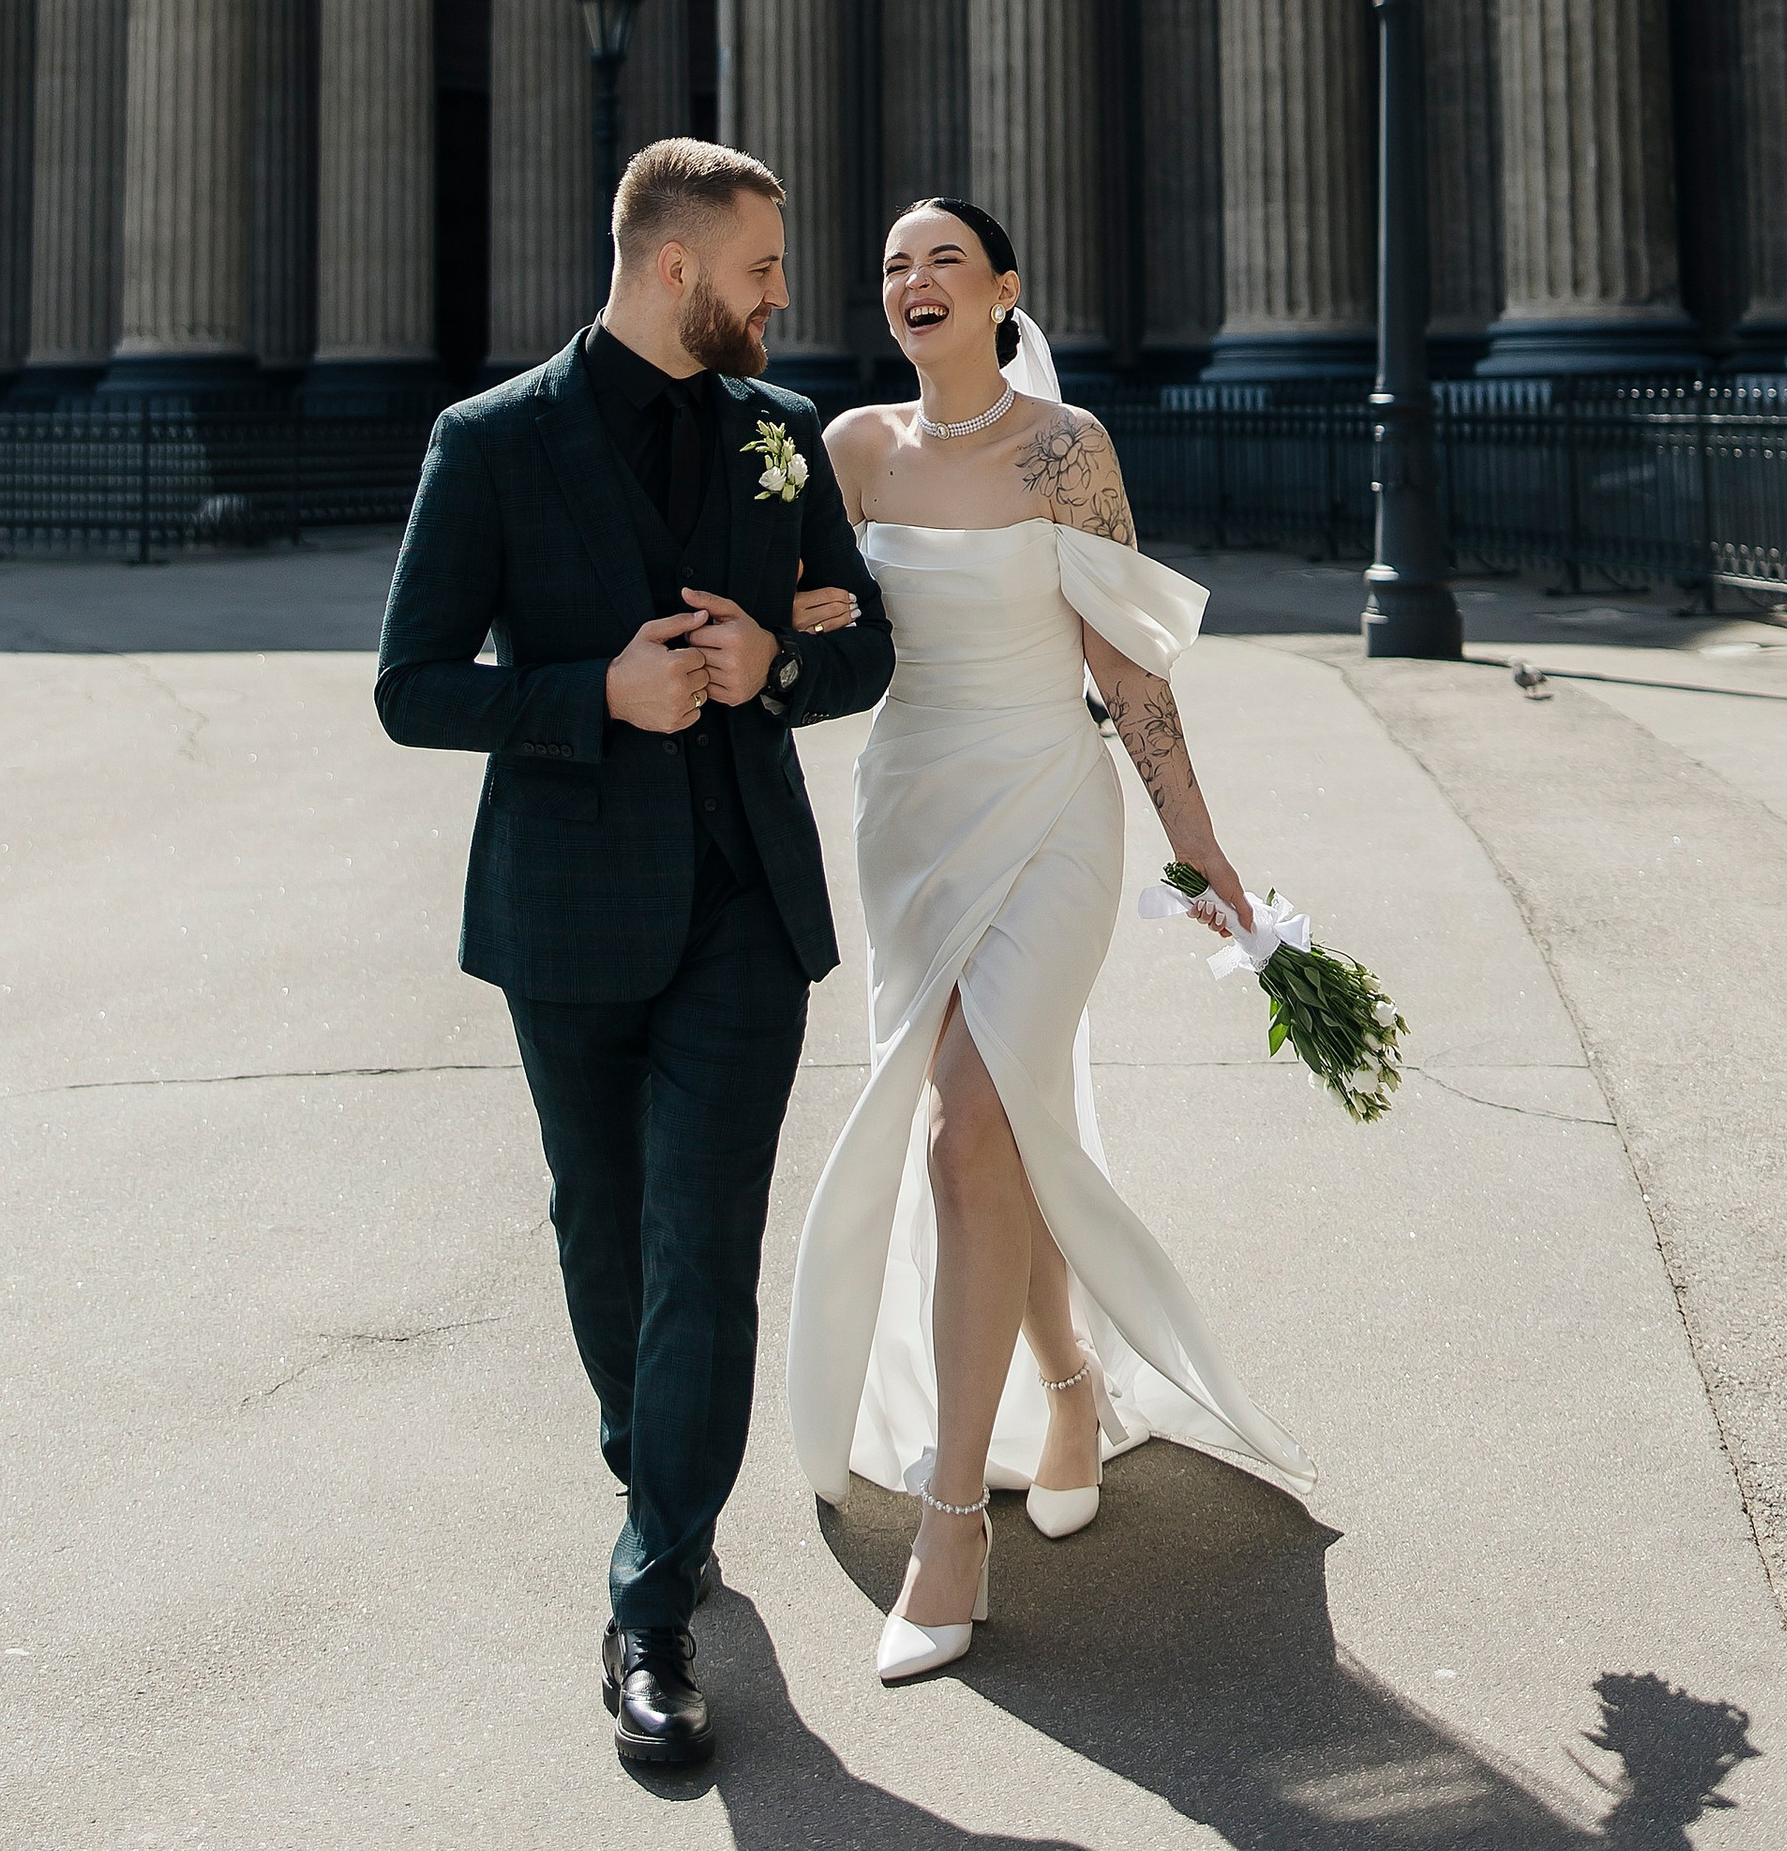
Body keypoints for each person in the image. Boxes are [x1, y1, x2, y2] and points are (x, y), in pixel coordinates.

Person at [374, 141, 893, 1777]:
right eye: (761, 269)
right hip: (568, 911)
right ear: (676, 269)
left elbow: (863, 638)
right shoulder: (493, 442)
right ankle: (652, 1468)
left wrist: (770, 670)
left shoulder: (780, 437)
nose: (782, 296)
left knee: (699, 1247)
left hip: (742, 909)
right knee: (601, 1228)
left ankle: (652, 1602)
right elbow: (412, 685)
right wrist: (588, 695)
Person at [781, 196, 1316, 1685]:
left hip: (1050, 814)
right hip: (911, 821)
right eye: (892, 264)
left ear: (1007, 289)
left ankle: (955, 1527)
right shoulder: (851, 450)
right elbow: (830, 637)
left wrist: (1199, 848)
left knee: (962, 1137)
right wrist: (805, 614)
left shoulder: (1066, 451)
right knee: (990, 1134)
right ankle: (1071, 1388)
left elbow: (1128, 671)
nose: (913, 281)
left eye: (944, 258)